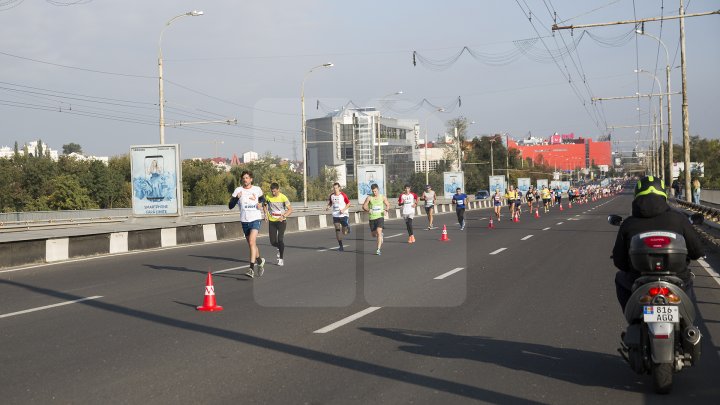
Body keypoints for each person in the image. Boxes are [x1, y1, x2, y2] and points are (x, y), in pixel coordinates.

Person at [611, 176, 704, 311]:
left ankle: (632, 317)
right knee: (688, 285)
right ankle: (689, 324)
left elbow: (619, 261)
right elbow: (697, 252)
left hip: (638, 279)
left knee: (620, 278)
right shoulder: (679, 219)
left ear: (637, 195)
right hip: (678, 279)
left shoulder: (628, 223)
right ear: (663, 194)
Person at [229, 170, 266, 278]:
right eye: (243, 178)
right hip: (244, 220)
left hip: (255, 219)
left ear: (251, 179)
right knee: (252, 244)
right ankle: (259, 261)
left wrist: (261, 204)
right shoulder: (238, 190)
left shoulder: (257, 189)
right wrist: (236, 198)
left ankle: (251, 269)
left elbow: (263, 200)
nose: (245, 180)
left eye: (247, 178)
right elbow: (230, 206)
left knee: (251, 241)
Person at [264, 183, 293, 266]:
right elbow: (265, 205)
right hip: (272, 221)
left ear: (278, 190)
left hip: (281, 221)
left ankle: (281, 258)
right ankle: (279, 247)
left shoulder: (283, 197)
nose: (273, 193)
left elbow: (290, 210)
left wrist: (283, 216)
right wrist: (265, 214)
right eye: (272, 191)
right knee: (272, 242)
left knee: (280, 239)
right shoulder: (268, 196)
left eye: (275, 191)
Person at [362, 184, 390, 255]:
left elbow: (388, 205)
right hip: (372, 218)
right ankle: (380, 235)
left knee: (379, 231)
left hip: (380, 217)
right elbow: (364, 206)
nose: (375, 193)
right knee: (374, 235)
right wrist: (368, 210)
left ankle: (378, 249)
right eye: (373, 191)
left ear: (378, 189)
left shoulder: (382, 197)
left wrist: (386, 210)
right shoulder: (369, 197)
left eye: (375, 191)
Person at [326, 182, 351, 252]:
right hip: (335, 215)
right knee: (337, 230)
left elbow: (349, 203)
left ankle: (347, 226)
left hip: (343, 215)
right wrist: (328, 207)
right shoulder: (332, 195)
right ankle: (341, 246)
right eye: (334, 188)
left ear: (339, 188)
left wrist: (343, 210)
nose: (335, 189)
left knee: (344, 232)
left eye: (336, 188)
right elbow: (331, 202)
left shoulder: (343, 195)